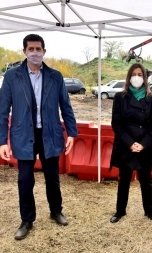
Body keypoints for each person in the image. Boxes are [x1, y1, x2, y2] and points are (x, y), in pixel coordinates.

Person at [0, 34, 78, 240]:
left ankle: (56, 211)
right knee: (25, 179)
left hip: (49, 134)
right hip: (23, 134)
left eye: (38, 49)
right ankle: (27, 219)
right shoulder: (12, 77)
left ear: (44, 51)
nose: (35, 53)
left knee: (52, 177)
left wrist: (72, 132)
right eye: (31, 49)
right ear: (24, 51)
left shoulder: (55, 76)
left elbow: (66, 106)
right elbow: (2, 110)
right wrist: (2, 141)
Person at [109, 62, 152, 224]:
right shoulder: (120, 97)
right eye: (134, 74)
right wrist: (130, 143)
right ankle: (120, 211)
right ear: (128, 77)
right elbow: (116, 124)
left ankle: (149, 212)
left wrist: (143, 144)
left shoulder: (150, 97)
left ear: (145, 78)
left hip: (144, 146)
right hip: (126, 145)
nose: (137, 78)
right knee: (124, 180)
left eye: (140, 75)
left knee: (146, 180)